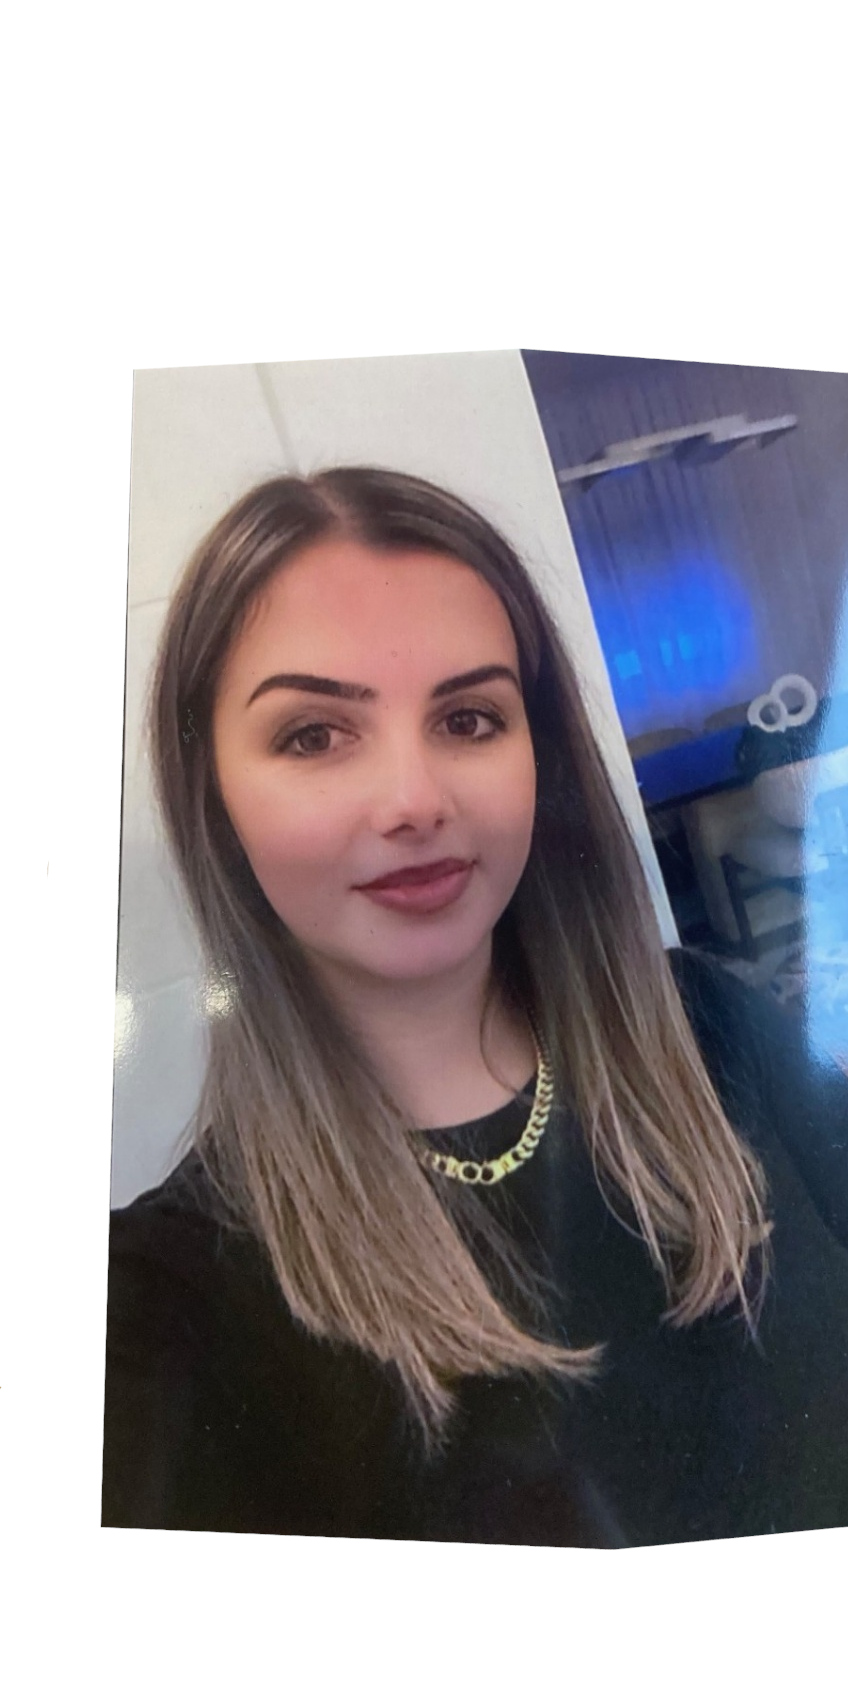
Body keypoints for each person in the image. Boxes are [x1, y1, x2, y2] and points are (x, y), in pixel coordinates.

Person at [103, 466, 848, 1546]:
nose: (414, 800)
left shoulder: (715, 1029)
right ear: (210, 793)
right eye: (312, 735)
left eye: (468, 717)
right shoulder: (157, 1307)